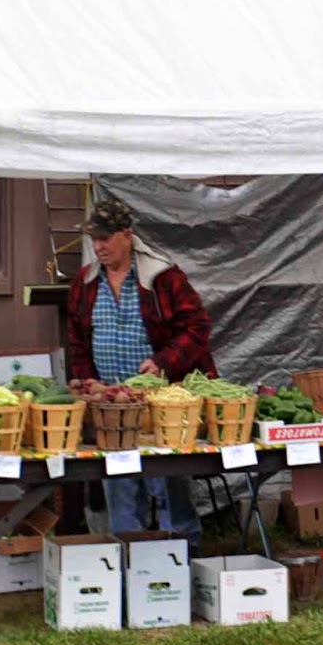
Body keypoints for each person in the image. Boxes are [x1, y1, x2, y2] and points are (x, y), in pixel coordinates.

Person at [66, 199, 214, 544]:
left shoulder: (162, 278)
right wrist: (87, 378)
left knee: (168, 482)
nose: (98, 246)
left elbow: (198, 327)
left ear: (127, 235)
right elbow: (76, 339)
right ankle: (126, 554)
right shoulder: (85, 284)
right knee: (118, 481)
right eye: (94, 239)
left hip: (160, 402)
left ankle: (182, 551)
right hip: (111, 405)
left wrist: (164, 361)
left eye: (105, 238)